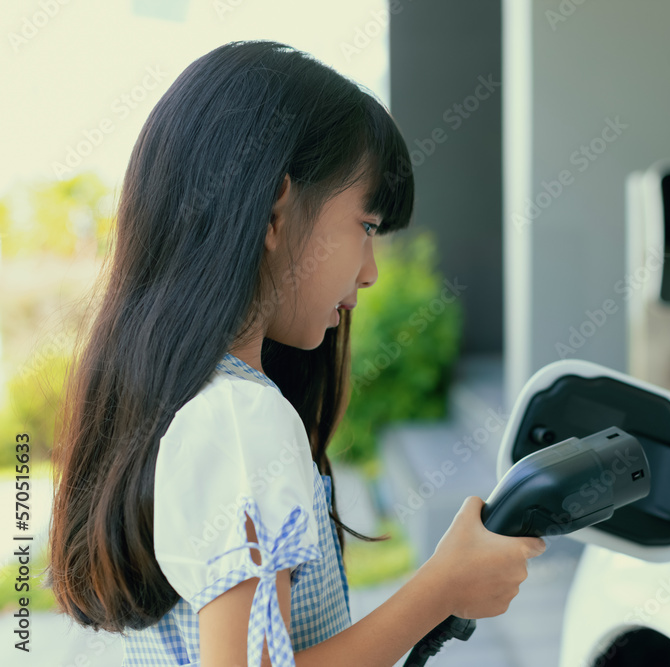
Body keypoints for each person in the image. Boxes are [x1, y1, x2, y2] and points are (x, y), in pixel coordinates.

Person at [47, 40, 545, 667]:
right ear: (275, 211)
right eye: (366, 228)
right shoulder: (240, 419)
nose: (370, 272)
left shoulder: (189, 404)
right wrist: (440, 588)